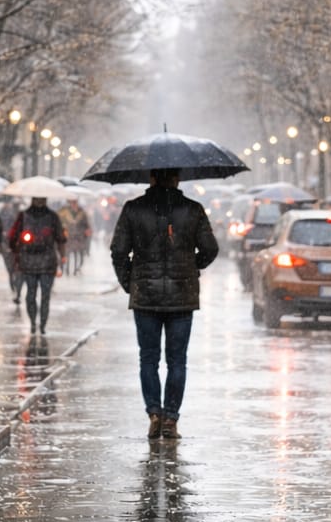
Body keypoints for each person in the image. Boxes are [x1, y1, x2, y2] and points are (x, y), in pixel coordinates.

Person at [110, 168, 220, 440]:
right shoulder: (193, 210)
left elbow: (119, 251)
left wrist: (130, 282)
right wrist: (192, 266)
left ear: (151, 178)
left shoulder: (134, 209)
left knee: (148, 358)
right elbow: (211, 248)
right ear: (177, 178)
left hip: (145, 296)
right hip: (181, 297)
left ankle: (154, 412)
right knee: (177, 360)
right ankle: (171, 417)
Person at [8, 196, 67, 334]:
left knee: (44, 296)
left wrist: (62, 255)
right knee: (31, 295)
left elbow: (60, 238)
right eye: (37, 199)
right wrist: (18, 248)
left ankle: (42, 324)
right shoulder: (24, 216)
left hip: (46, 263)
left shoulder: (52, 217)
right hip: (30, 262)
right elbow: (13, 237)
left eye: (42, 199)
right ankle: (34, 322)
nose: (40, 202)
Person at [60, 197, 93, 275]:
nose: (73, 204)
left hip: (79, 236)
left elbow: (86, 223)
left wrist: (87, 229)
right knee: (67, 252)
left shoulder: (81, 212)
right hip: (69, 236)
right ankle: (67, 269)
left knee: (80, 253)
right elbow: (60, 221)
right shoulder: (64, 211)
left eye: (75, 202)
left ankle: (77, 267)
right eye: (72, 202)